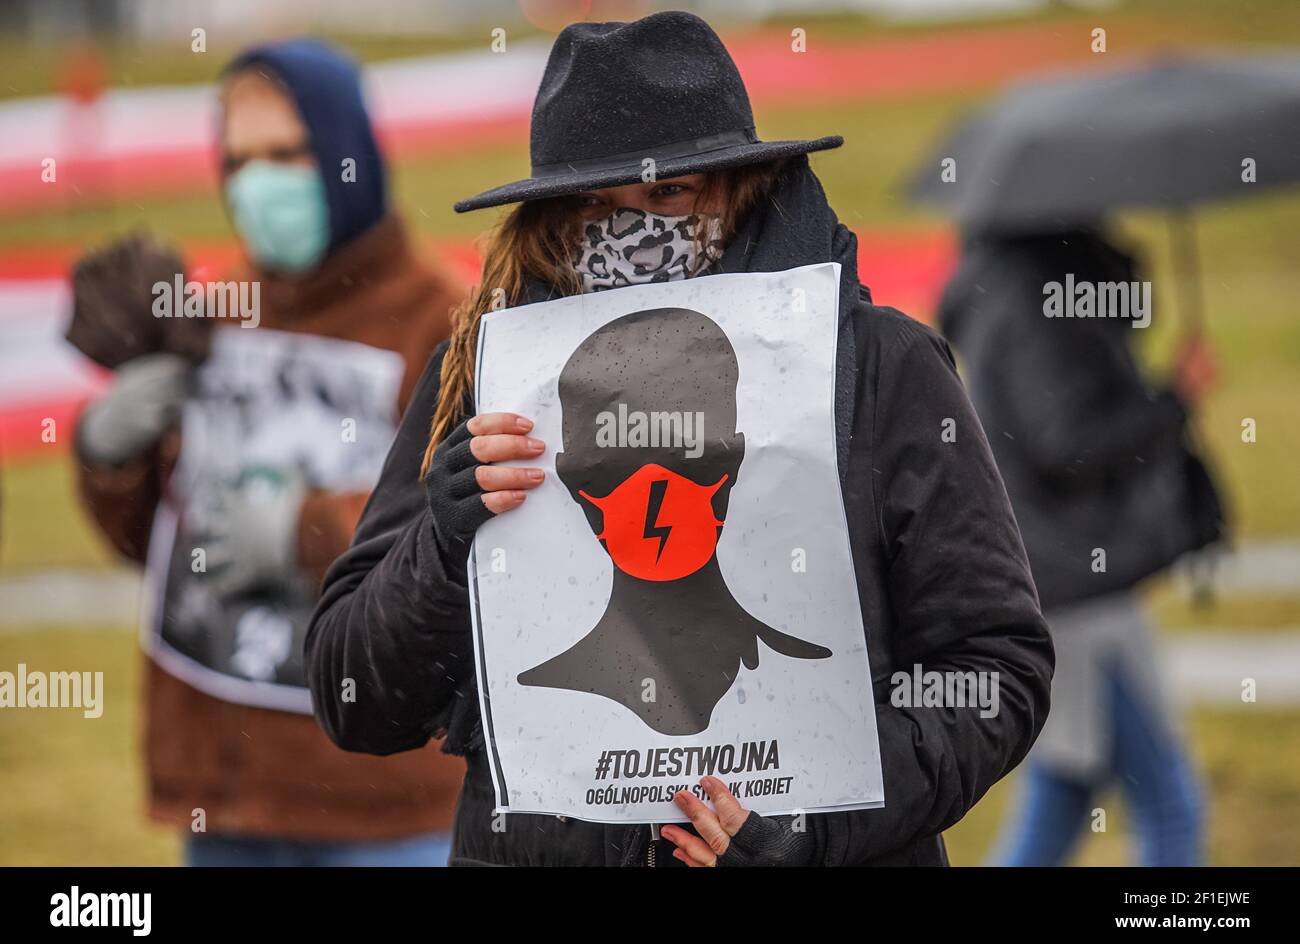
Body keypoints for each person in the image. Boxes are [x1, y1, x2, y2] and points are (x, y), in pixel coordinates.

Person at [306, 11, 1054, 867]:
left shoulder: (879, 367)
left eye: (669, 193)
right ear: (548, 214)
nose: (633, 233)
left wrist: (814, 828)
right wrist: (440, 546)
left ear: (742, 185)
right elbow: (353, 696)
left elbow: (995, 666)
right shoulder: (484, 374)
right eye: (595, 201)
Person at [72, 39, 465, 866]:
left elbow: (473, 533)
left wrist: (308, 531)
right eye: (239, 158)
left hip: (388, 803)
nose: (259, 182)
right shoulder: (208, 314)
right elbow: (155, 548)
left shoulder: (447, 321)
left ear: (348, 151)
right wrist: (113, 457)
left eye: (287, 153)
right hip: (227, 792)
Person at [937, 225, 1225, 866]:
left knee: (1065, 792)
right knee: (1170, 806)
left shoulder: (1010, 278)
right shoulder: (1035, 292)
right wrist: (1171, 401)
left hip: (1050, 577)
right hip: (1076, 592)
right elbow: (1067, 440)